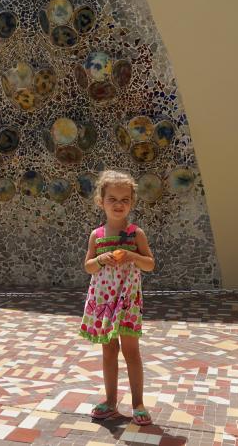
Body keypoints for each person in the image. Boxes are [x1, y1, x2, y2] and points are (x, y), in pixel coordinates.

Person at [79, 170, 156, 426]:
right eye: (112, 199)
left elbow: (149, 264)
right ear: (101, 201)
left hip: (127, 301)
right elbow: (88, 266)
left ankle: (138, 403)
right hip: (104, 302)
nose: (118, 204)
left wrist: (132, 256)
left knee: (131, 351)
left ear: (132, 203)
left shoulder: (135, 234)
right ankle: (110, 401)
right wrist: (101, 259)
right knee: (109, 351)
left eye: (125, 200)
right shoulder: (97, 235)